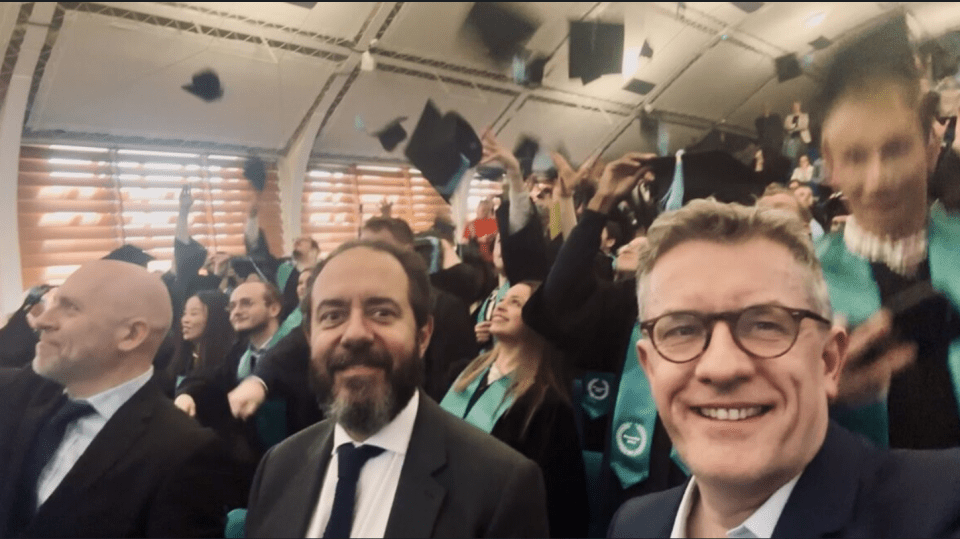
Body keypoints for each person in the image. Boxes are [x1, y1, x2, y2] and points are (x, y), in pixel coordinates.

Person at [608, 200, 960, 538]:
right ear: (650, 367)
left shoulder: (940, 506)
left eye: (765, 325)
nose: (721, 367)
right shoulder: (634, 524)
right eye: (682, 330)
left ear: (828, 360)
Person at [245, 240, 549, 538]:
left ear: (423, 336)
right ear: (310, 338)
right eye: (332, 315)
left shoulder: (499, 486)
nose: (355, 334)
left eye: (382, 312)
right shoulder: (277, 469)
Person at [0, 260, 243, 537]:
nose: (42, 321)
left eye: (70, 308)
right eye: (52, 303)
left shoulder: (181, 450)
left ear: (131, 334)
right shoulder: (23, 395)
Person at [816, 27, 960, 450]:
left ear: (931, 146)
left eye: (896, 149)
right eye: (855, 157)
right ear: (830, 164)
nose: (878, 180)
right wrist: (813, 401)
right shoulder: (801, 286)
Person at [441, 281, 588, 538]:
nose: (501, 306)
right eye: (502, 300)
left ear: (538, 318)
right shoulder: (460, 374)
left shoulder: (548, 407)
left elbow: (563, 507)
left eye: (516, 303)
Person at [361, 216, 478, 402]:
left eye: (378, 248)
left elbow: (452, 386)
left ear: (407, 251)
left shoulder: (445, 308)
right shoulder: (360, 308)